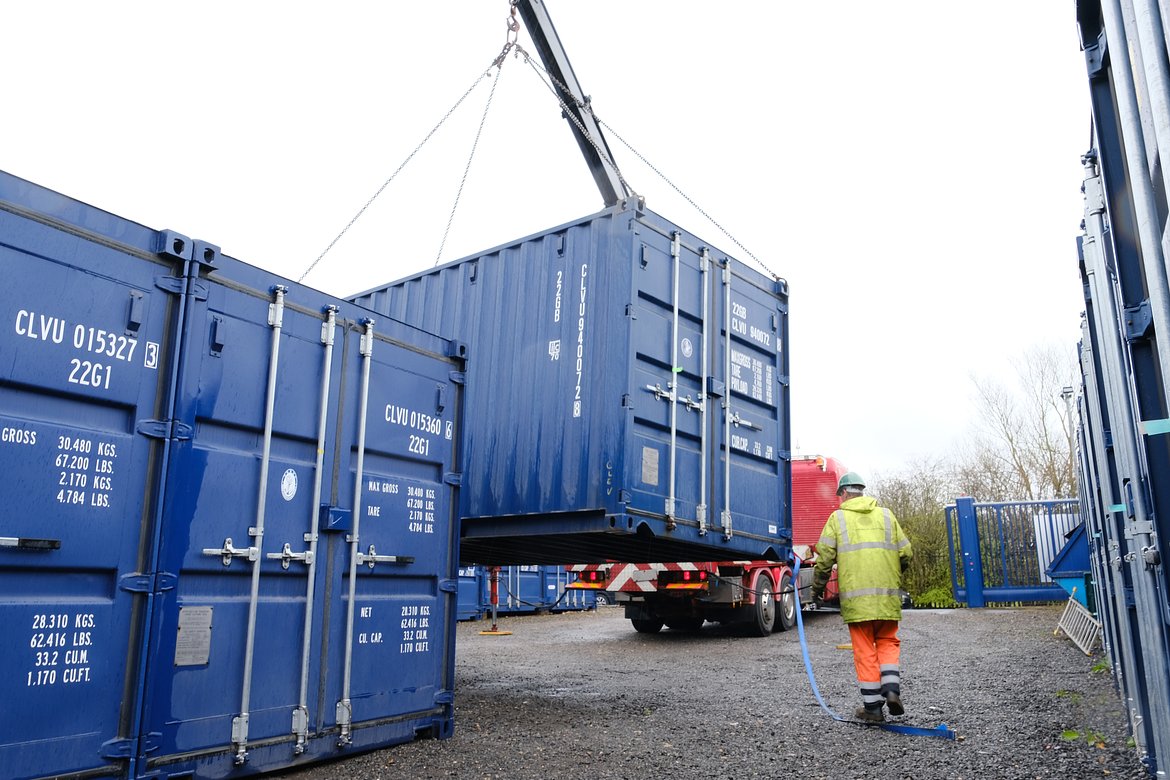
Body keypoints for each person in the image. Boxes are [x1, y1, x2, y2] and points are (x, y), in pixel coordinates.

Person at [811, 471, 913, 723]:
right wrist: (891, 573)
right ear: (862, 491)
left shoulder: (838, 519)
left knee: (865, 648)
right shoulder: (887, 515)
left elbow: (824, 560)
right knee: (888, 641)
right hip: (887, 596)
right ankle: (891, 690)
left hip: (857, 601)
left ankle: (873, 709)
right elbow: (906, 553)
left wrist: (817, 589)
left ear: (844, 493)